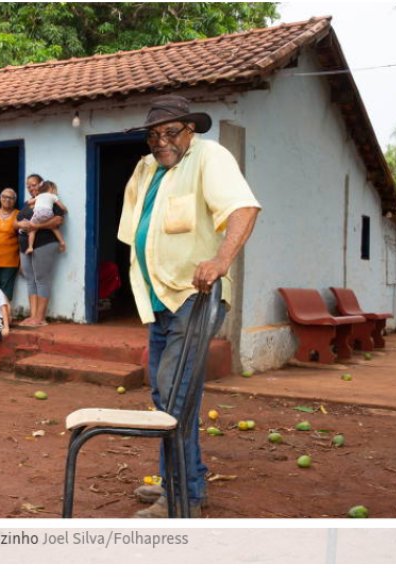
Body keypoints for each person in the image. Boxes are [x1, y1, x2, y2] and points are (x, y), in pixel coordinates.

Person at [117, 95, 260, 518]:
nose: (161, 141)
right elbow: (138, 230)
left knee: (175, 397)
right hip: (160, 299)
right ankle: (184, 480)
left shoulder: (209, 158)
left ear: (190, 130)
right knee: (167, 393)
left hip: (193, 299)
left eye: (171, 132)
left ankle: (182, 499)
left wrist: (220, 261)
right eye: (153, 135)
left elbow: (243, 209)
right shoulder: (146, 169)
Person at [16, 174, 65, 327]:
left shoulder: (50, 199)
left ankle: (40, 318)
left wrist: (35, 226)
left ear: (41, 184)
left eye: (34, 184)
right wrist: (19, 225)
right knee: (30, 279)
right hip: (25, 246)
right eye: (28, 186)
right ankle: (33, 316)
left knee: (42, 279)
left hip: (44, 243)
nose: (31, 188)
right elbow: (15, 222)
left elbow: (58, 220)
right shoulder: (27, 204)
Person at [24, 180, 67, 254]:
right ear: (51, 189)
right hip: (48, 213)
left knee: (32, 230)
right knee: (54, 227)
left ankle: (30, 247)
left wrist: (28, 202)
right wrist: (65, 210)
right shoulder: (53, 196)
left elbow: (29, 202)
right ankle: (62, 242)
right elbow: (62, 207)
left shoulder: (39, 196)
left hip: (38, 213)